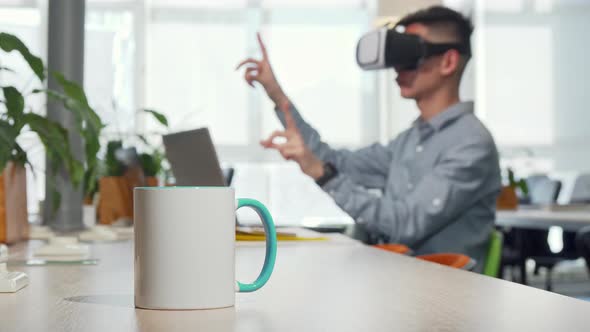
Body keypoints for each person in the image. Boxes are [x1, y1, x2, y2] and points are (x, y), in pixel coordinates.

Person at [236, 6, 501, 271]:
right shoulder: (410, 140)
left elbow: (403, 225)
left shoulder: (471, 144)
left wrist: (323, 174)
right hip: (400, 281)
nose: (397, 67)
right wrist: (277, 95)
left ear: (448, 62)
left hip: (444, 298)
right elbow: (335, 162)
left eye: (408, 53)